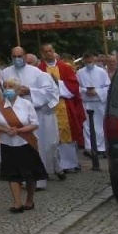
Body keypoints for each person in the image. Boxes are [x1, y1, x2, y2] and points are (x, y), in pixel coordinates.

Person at [0, 49, 61, 186]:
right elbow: (0, 92)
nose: (17, 59)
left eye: (20, 56)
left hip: (33, 114)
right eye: (14, 56)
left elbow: (49, 91)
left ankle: (37, 180)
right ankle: (18, 179)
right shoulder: (5, 73)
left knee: (35, 147)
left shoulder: (37, 72)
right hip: (13, 115)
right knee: (17, 149)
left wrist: (29, 91)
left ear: (25, 56)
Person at [0, 76, 43, 212]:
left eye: (10, 87)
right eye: (6, 86)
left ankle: (30, 199)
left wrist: (19, 130)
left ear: (18, 90)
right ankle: (17, 202)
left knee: (30, 174)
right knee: (12, 174)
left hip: (25, 143)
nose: (7, 89)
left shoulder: (26, 104)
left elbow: (34, 123)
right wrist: (6, 130)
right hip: (7, 143)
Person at [40, 43, 86, 174]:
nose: (48, 53)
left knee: (67, 134)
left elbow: (73, 85)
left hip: (64, 105)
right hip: (48, 107)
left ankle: (69, 163)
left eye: (50, 51)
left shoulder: (65, 67)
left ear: (54, 51)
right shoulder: (39, 69)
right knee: (51, 136)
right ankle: (54, 165)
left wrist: (57, 83)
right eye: (46, 51)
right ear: (42, 54)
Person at [76, 53, 112, 165]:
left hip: (98, 102)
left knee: (100, 125)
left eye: (90, 60)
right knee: (87, 126)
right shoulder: (79, 73)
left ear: (93, 59)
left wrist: (96, 91)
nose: (88, 63)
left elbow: (107, 86)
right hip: (86, 102)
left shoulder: (101, 72)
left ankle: (101, 148)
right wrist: (85, 91)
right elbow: (77, 87)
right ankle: (89, 147)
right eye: (86, 61)